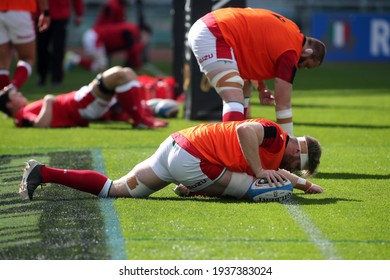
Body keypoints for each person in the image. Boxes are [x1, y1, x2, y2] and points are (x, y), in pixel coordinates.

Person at [18, 118, 324, 201]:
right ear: (298, 151)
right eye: (294, 165)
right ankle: (195, 188)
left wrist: (304, 185)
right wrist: (263, 171)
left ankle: (44, 173)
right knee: (254, 189)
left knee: (114, 189)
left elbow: (279, 170)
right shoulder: (275, 135)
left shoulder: (279, 147)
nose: (288, 168)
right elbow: (245, 130)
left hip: (176, 145)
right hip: (193, 159)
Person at [187, 7, 326, 135]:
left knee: (244, 87)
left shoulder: (291, 31)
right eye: (307, 65)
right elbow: (283, 103)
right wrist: (289, 142)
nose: (303, 68)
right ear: (307, 52)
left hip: (214, 27)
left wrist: (261, 87)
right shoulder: (290, 52)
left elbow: (254, 51)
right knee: (234, 99)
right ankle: (230, 152)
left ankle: (237, 148)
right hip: (216, 33)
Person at [0, 66, 168, 128]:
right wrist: (48, 101)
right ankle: (141, 120)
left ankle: (142, 116)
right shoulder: (20, 115)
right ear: (9, 105)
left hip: (80, 101)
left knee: (127, 73)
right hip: (80, 106)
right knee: (119, 74)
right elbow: (40, 125)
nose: (20, 93)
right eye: (15, 94)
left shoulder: (25, 110)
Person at [0, 0, 50, 90]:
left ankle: (4, 99)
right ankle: (11, 90)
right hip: (20, 9)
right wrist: (45, 12)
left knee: (2, 64)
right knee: (27, 58)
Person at [65, 21, 148, 72]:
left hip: (96, 37)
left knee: (101, 66)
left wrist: (138, 65)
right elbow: (132, 50)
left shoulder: (130, 29)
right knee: (101, 67)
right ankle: (73, 59)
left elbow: (131, 52)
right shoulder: (131, 31)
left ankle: (73, 60)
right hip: (96, 38)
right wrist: (142, 44)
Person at [36, 0, 84, 86]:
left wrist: (79, 13)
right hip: (43, 14)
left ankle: (57, 78)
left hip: (61, 14)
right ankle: (42, 75)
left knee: (58, 48)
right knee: (41, 46)